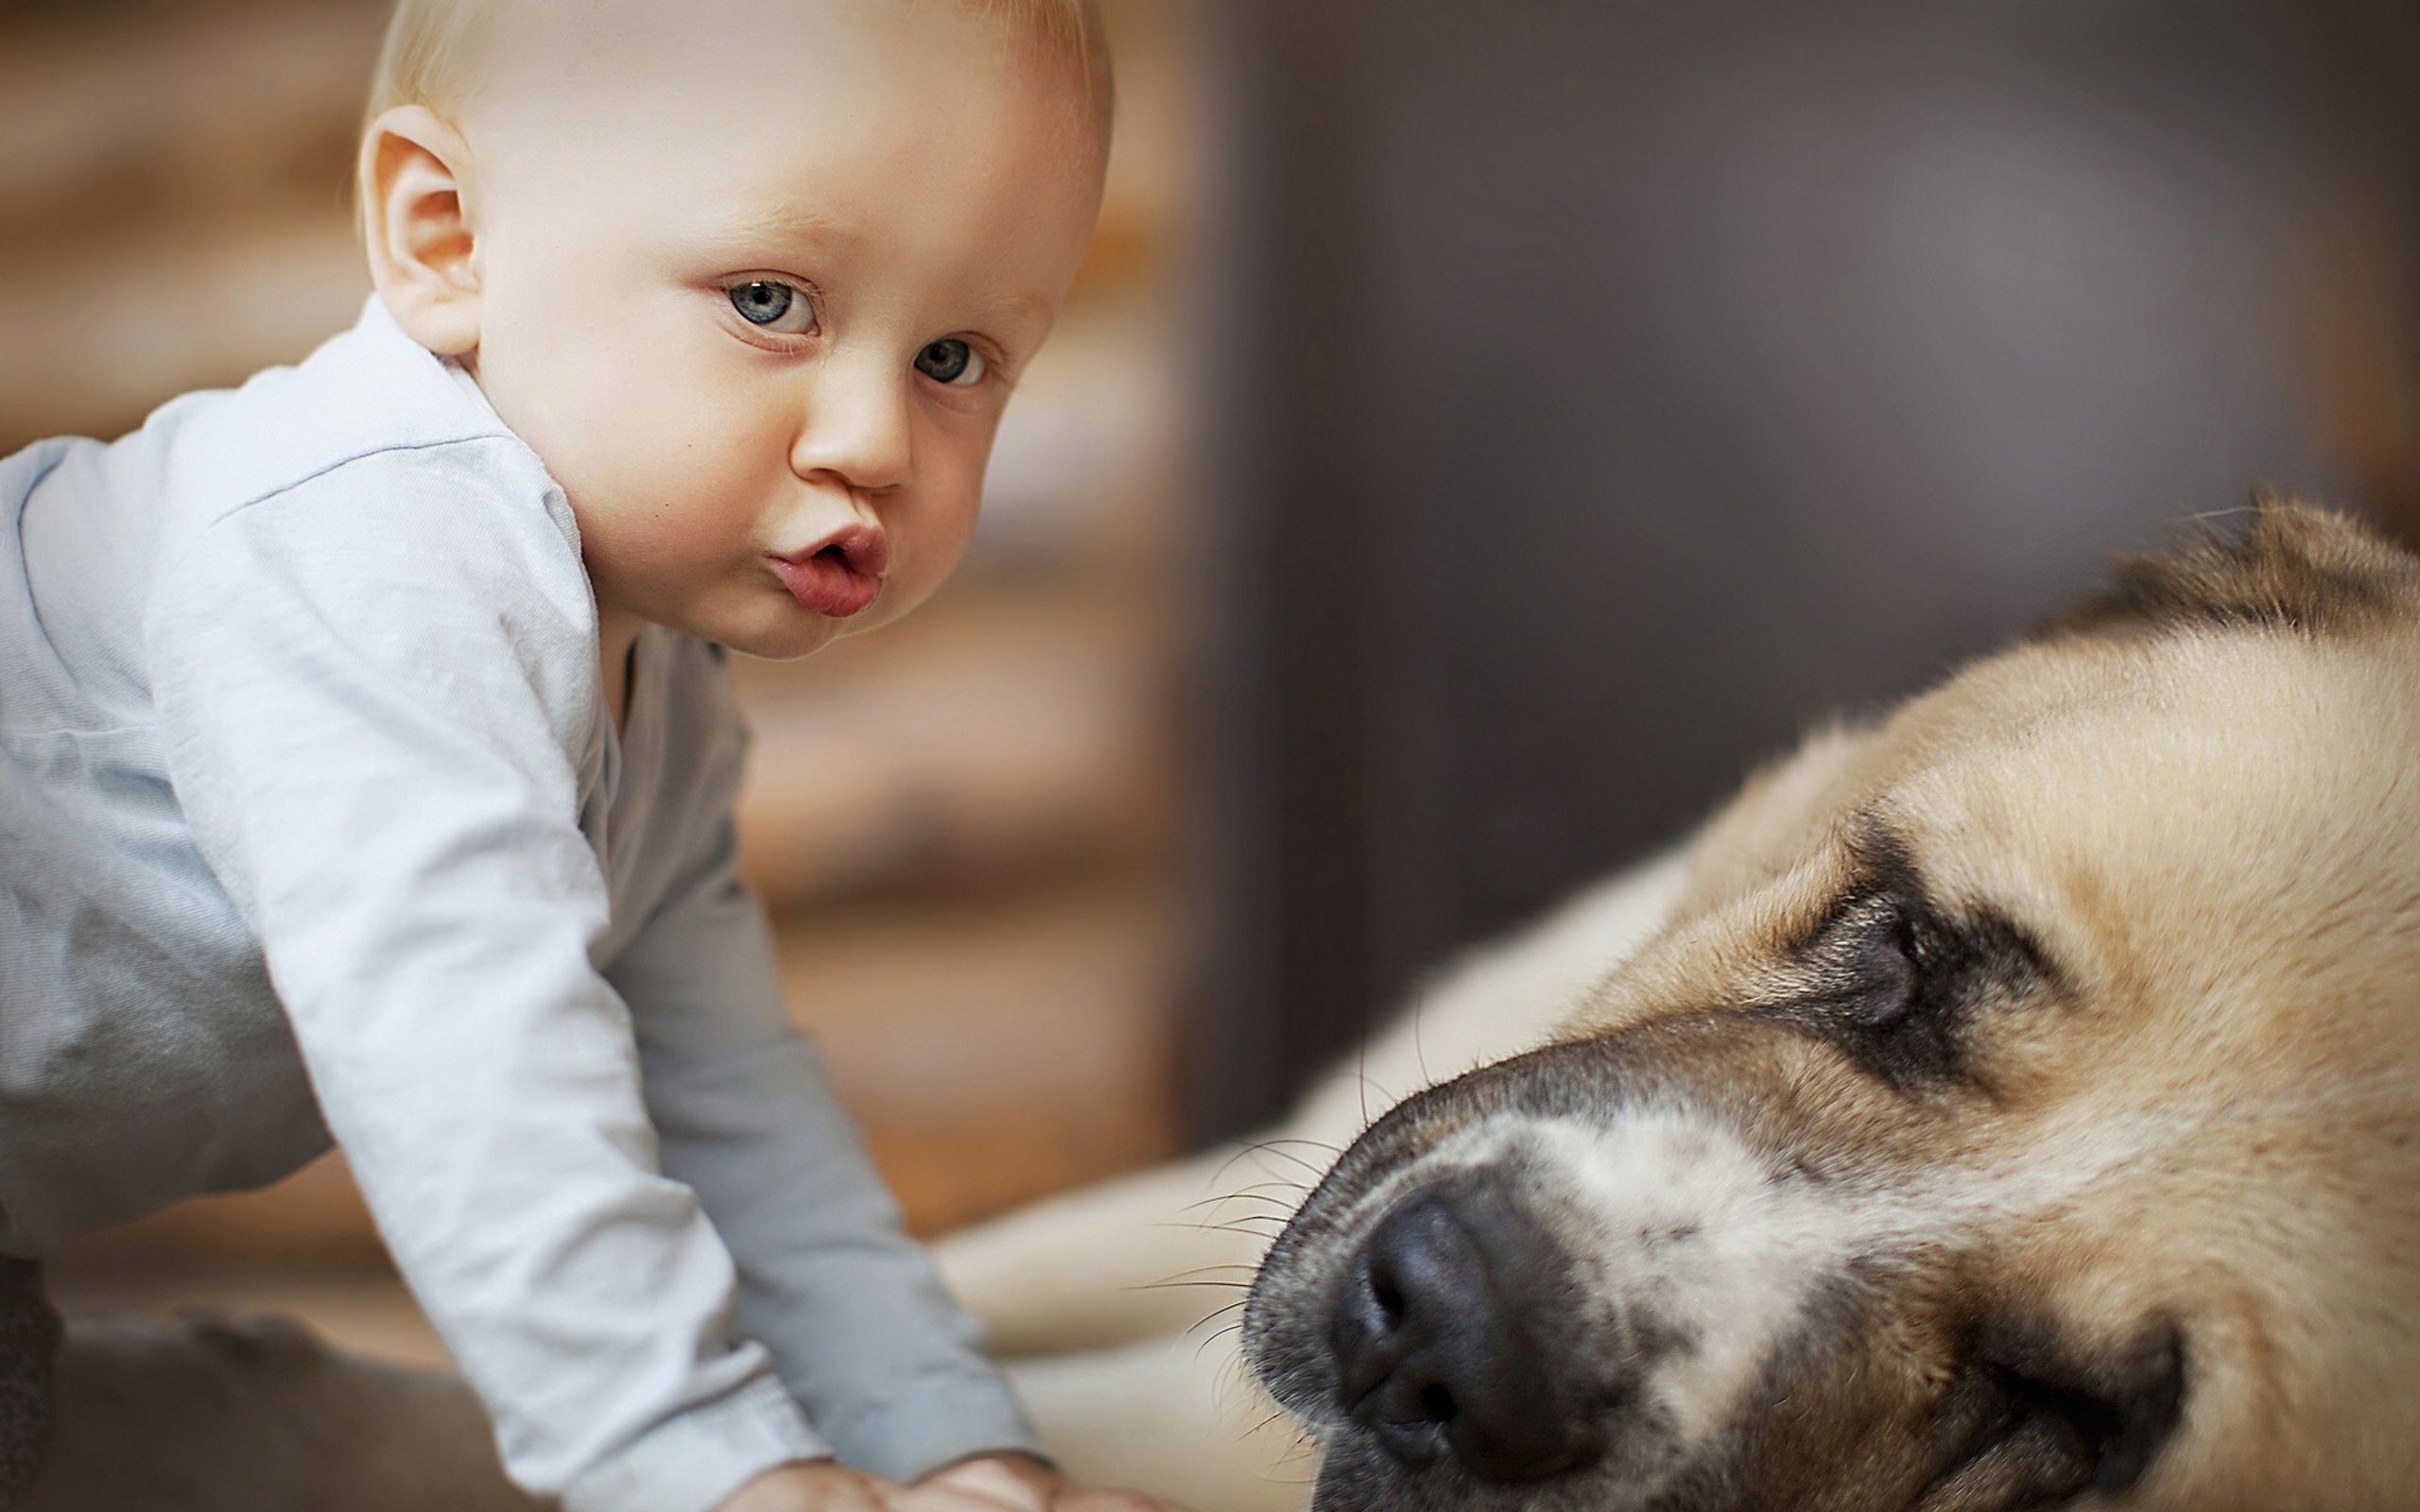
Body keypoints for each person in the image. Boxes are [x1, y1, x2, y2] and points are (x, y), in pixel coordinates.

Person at [0, 1, 1180, 1509]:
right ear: (444, 240)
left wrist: (957, 1450)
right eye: (771, 299)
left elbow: (729, 1102)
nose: (876, 438)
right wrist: (703, 1467)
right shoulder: (362, 550)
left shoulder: (660, 699)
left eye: (955, 353)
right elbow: (474, 1062)